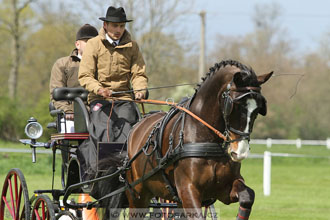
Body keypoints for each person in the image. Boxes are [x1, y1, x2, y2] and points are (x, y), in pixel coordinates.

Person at [49, 24, 98, 132]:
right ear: (77, 44)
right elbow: (55, 94)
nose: (91, 46)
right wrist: (68, 112)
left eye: (94, 43)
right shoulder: (62, 64)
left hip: (98, 113)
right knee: (70, 130)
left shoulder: (103, 66)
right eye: (87, 42)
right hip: (70, 116)